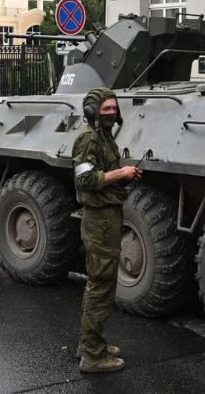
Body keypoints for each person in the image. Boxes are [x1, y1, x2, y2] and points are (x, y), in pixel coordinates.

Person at [73, 87, 142, 374]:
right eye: (105, 109)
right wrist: (120, 173)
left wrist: (125, 176)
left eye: (114, 108)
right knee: (100, 286)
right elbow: (85, 179)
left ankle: (90, 344)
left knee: (100, 284)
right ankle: (93, 356)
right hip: (99, 221)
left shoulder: (104, 137)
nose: (112, 112)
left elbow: (103, 175)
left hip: (107, 217)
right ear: (92, 112)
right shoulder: (87, 139)